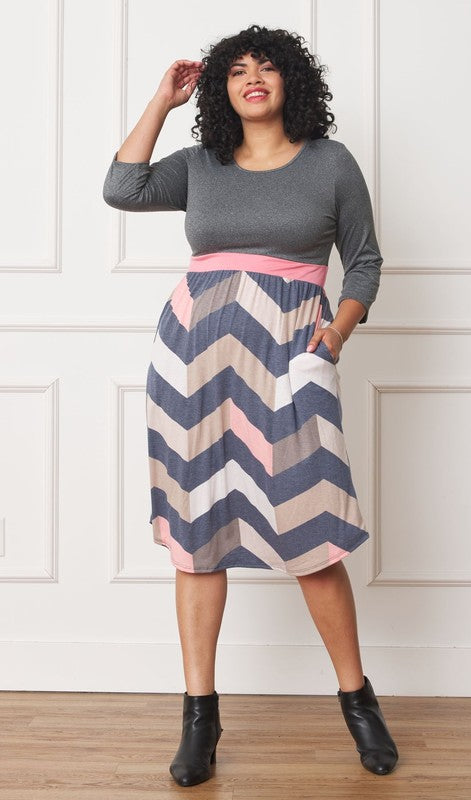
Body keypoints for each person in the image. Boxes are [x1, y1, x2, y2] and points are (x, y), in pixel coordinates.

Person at [103, 23, 398, 788]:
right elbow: (122, 188)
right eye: (235, 70)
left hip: (291, 360)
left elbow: (365, 261)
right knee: (196, 536)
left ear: (291, 80)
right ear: (220, 89)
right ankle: (200, 716)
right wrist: (162, 101)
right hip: (193, 360)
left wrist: (335, 335)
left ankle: (358, 700)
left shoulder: (330, 163)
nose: (252, 77)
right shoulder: (202, 164)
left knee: (312, 531)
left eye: (266, 66)